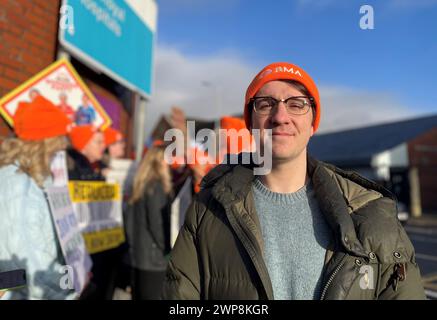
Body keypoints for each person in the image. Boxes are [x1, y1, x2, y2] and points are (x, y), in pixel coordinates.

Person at [161, 62, 426, 300]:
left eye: (296, 104)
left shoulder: (373, 215)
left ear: (313, 124)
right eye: (265, 104)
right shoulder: (206, 211)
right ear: (251, 124)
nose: (280, 116)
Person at [0, 95, 76, 299]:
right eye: (59, 140)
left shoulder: (23, 177)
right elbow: (35, 271)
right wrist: (72, 285)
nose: (63, 147)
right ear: (45, 143)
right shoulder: (22, 189)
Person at [124, 143, 173, 300]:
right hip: (154, 259)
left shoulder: (139, 185)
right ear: (159, 163)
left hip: (138, 256)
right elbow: (157, 224)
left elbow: (128, 222)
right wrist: (168, 250)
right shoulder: (156, 187)